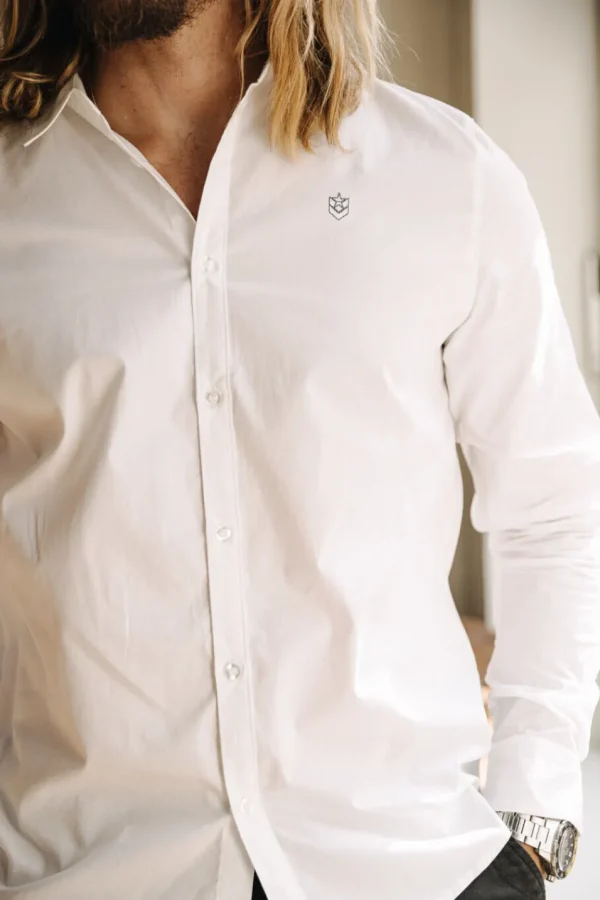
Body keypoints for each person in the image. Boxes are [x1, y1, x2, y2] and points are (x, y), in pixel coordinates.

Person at [0, 1, 599, 898]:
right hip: (88, 874)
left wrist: (536, 808)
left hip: (414, 867)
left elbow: (555, 506)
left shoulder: (445, 176)